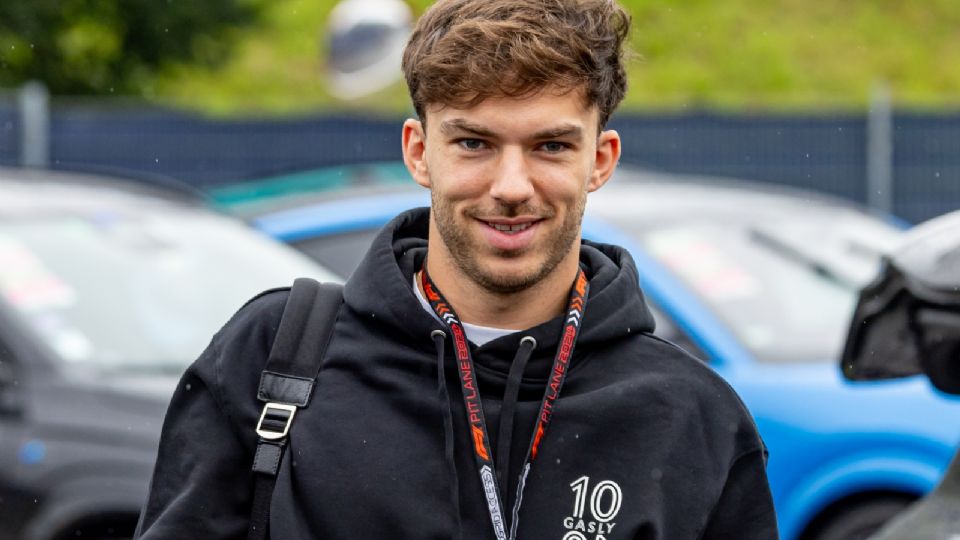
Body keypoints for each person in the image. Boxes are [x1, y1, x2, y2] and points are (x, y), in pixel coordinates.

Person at [135, 0, 779, 538]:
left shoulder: (691, 414)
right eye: (474, 142)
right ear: (419, 151)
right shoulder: (273, 358)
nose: (511, 186)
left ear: (600, 160)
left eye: (550, 146)